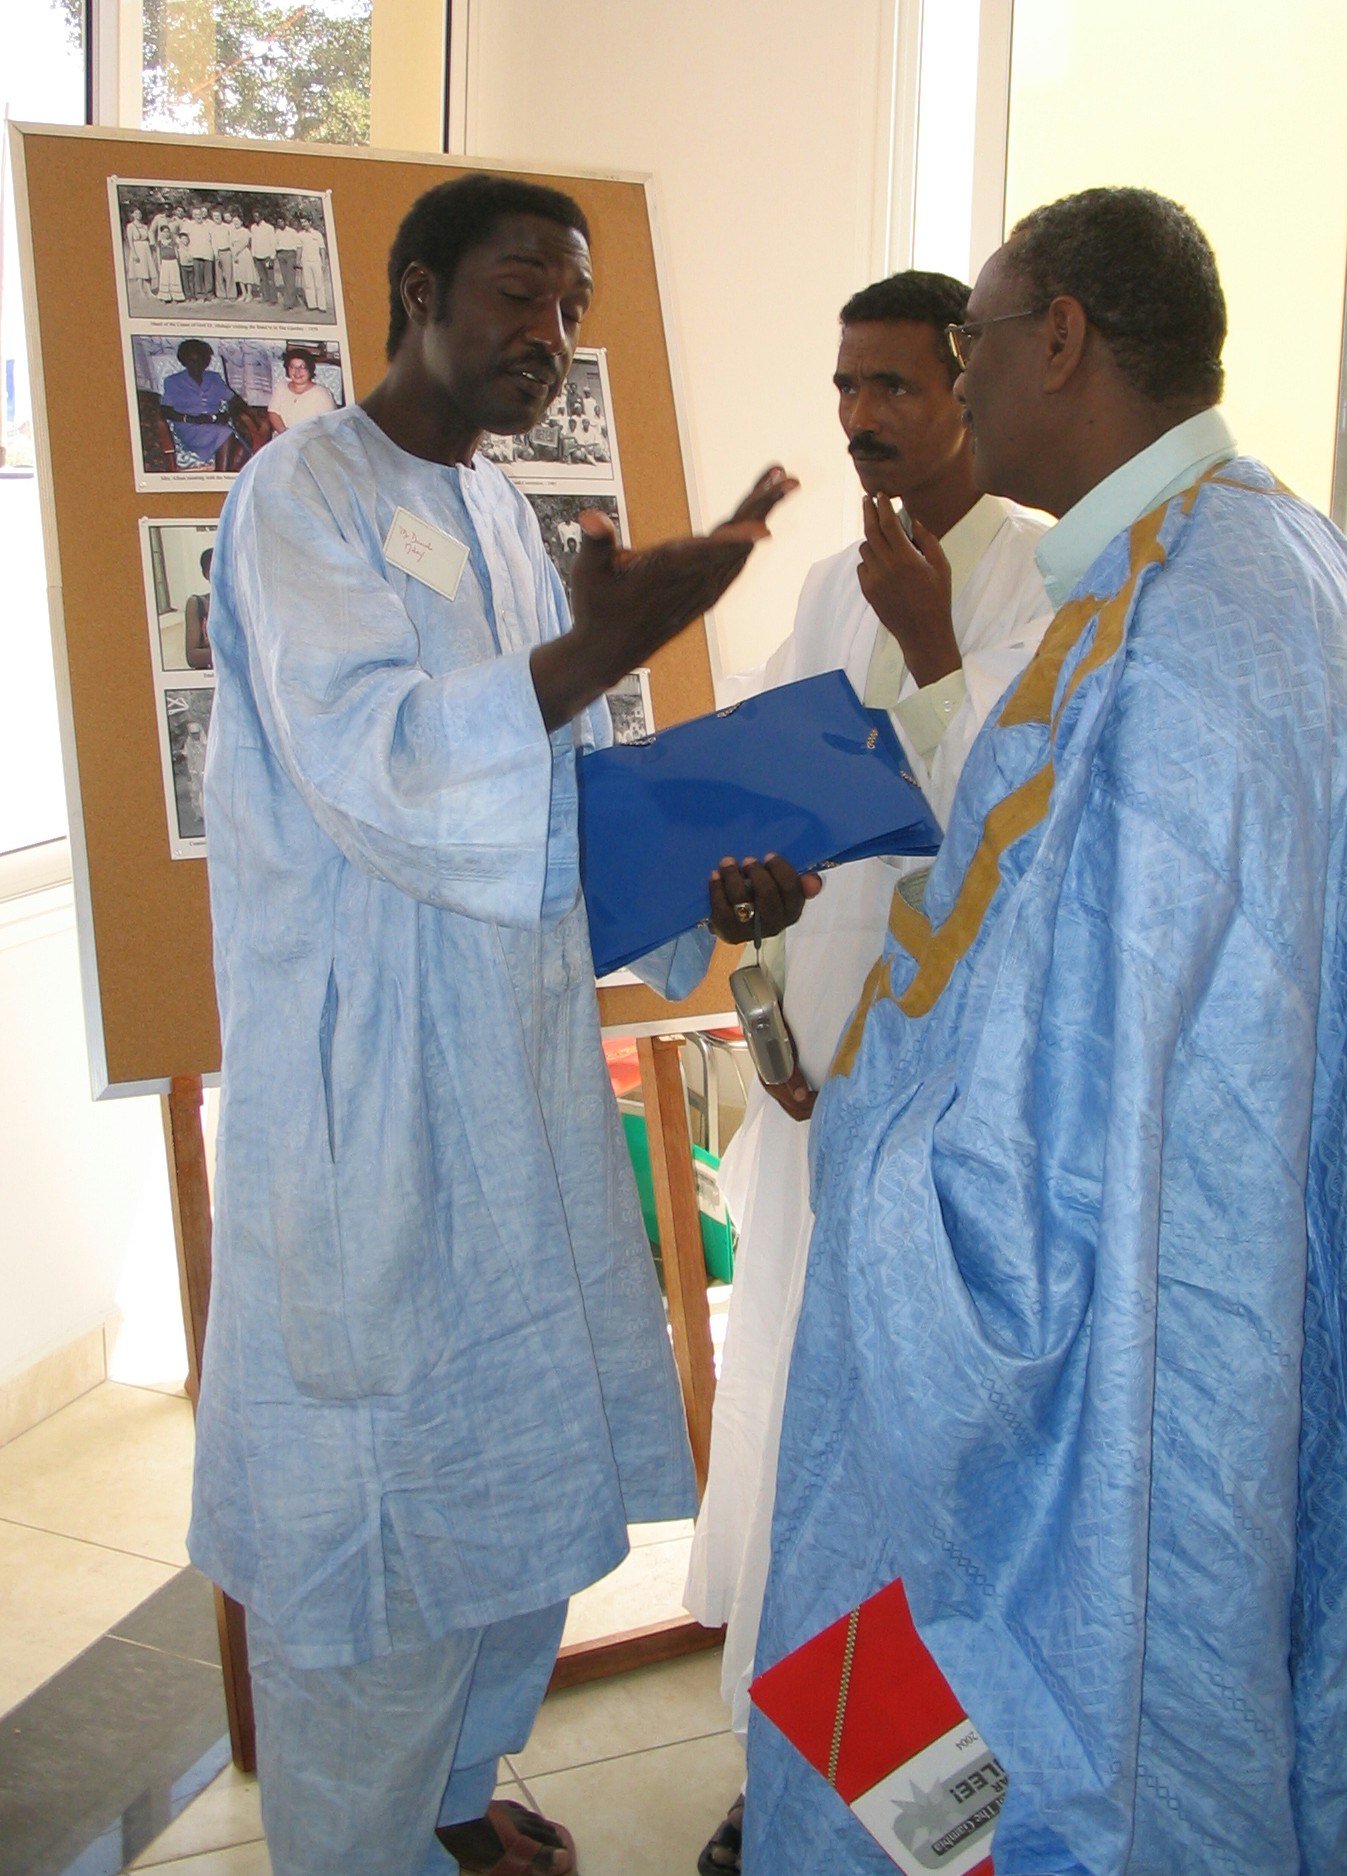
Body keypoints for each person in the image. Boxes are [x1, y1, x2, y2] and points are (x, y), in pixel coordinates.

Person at [192, 170, 810, 1876]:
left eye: (571, 307)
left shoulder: (500, 516)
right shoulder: (297, 497)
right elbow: (389, 769)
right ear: (414, 288)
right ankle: (361, 1844)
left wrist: (705, 882)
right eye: (518, 292)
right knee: (379, 1571)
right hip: (371, 1120)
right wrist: (589, 654)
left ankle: (457, 1811)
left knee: (511, 1532)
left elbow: (544, 817)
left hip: (513, 1103)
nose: (547, 335)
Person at [746, 187, 1347, 1875]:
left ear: (1062, 341)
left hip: (1102, 1337)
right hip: (1183, 1273)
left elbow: (1085, 1078)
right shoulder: (1243, 553)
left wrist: (881, 1181)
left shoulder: (1186, 634)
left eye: (976, 343)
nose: (960, 380)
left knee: (1028, 1748)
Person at [686, 269, 1051, 1876]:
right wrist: (754, 925)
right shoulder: (834, 582)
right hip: (818, 1085)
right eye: (844, 388)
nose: (859, 420)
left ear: (969, 387)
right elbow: (770, 799)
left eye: (893, 387)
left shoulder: (1041, 583)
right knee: (790, 1436)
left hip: (957, 1111)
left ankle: (927, 1818)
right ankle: (799, 1773)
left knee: (911, 1464)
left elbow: (1025, 842)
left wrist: (930, 641)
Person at [158, 338, 247, 470]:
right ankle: (221, 476)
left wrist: (227, 415)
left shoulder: (214, 378)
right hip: (188, 427)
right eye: (191, 361)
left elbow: (237, 401)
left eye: (200, 360)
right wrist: (190, 418)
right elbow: (165, 410)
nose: (196, 365)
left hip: (214, 424)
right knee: (226, 433)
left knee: (243, 450)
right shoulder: (173, 381)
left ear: (206, 361)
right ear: (183, 361)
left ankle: (220, 477)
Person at [265, 347, 338, 433]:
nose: (297, 372)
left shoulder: (322, 393)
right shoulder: (281, 387)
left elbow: (329, 426)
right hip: (282, 439)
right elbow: (273, 412)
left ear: (310, 369)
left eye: (302, 367)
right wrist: (284, 432)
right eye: (292, 367)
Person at [184, 549, 213, 670]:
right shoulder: (197, 604)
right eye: (214, 571)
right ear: (205, 574)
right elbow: (193, 657)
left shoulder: (245, 604)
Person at [297, 215, 328, 312]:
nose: (303, 224)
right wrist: (298, 260)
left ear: (310, 222)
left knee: (319, 283)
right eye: (302, 222)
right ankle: (312, 305)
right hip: (305, 261)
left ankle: (322, 306)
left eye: (305, 222)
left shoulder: (317, 234)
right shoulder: (300, 235)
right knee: (308, 284)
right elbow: (299, 248)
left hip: (316, 261)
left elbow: (322, 248)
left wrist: (323, 262)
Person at [249, 210, 278, 305]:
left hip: (267, 257)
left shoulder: (269, 228)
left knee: (270, 278)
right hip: (258, 257)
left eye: (257, 216)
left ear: (261, 216)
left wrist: (272, 256)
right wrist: (253, 255)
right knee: (262, 278)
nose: (255, 218)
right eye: (254, 216)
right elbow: (253, 242)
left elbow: (273, 242)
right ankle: (266, 297)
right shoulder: (253, 227)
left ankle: (273, 299)